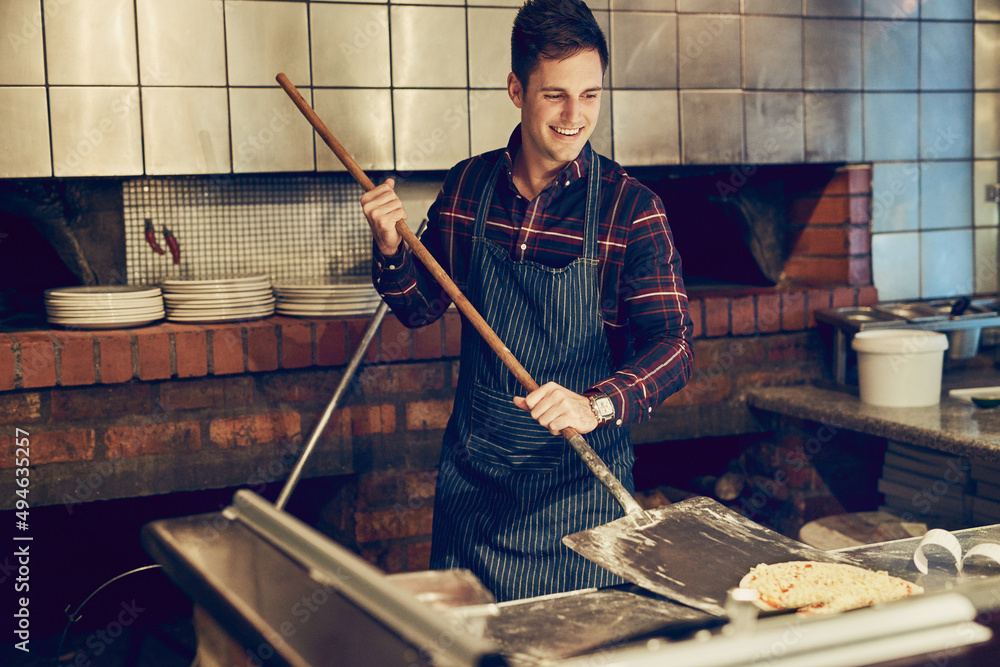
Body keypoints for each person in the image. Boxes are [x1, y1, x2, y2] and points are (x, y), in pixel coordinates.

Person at [361, 0, 693, 602]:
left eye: (590, 95)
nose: (575, 116)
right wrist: (390, 247)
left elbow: (673, 346)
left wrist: (597, 405)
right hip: (475, 493)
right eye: (555, 95)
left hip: (580, 502)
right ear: (516, 89)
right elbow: (417, 307)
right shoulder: (469, 186)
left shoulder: (630, 208)